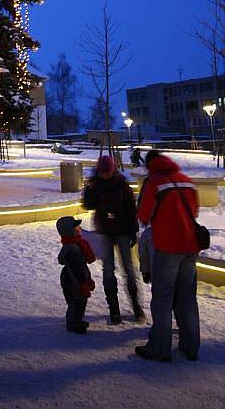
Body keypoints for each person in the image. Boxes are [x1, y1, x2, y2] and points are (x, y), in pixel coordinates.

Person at [135, 151, 200, 362]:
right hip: (190, 246)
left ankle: (160, 348)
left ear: (150, 165)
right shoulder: (186, 180)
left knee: (163, 297)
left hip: (167, 246)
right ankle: (190, 347)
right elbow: (195, 211)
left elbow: (144, 215)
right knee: (188, 298)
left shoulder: (154, 181)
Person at [83, 154, 144, 324]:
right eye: (102, 172)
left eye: (107, 172)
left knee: (129, 269)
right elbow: (88, 205)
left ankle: (136, 305)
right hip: (105, 231)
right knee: (108, 269)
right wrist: (88, 191)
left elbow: (132, 209)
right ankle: (114, 309)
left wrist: (133, 230)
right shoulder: (95, 184)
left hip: (123, 231)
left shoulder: (122, 184)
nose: (105, 175)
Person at [56, 216, 96, 334]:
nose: (79, 228)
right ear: (69, 231)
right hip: (71, 280)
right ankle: (72, 323)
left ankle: (77, 320)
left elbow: (81, 267)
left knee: (81, 300)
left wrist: (87, 280)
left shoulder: (78, 244)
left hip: (78, 278)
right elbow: (75, 270)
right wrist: (83, 283)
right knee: (74, 301)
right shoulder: (71, 249)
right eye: (76, 227)